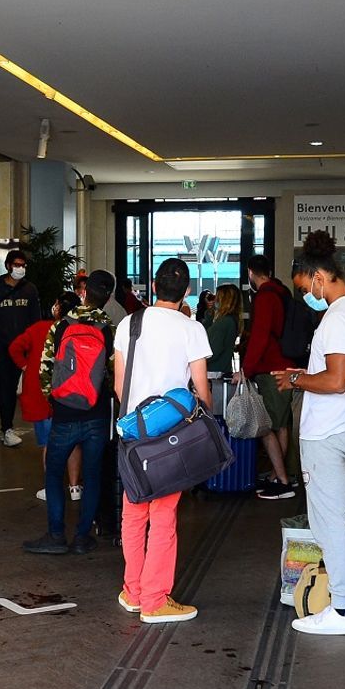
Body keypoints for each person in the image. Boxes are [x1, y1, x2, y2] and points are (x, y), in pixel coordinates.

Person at [276, 231, 345, 636]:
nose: (307, 297)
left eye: (306, 288)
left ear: (319, 277)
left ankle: (341, 609)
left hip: (328, 434)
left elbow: (337, 380)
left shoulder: (338, 318)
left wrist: (298, 378)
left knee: (328, 521)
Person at [113, 258, 212, 624]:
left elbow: (119, 385)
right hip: (171, 435)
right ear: (186, 291)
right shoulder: (191, 328)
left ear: (154, 286)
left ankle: (133, 591)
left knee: (134, 511)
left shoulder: (130, 323)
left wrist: (138, 418)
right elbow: (202, 391)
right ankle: (155, 599)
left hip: (134, 432)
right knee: (164, 515)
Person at [25, 270, 117, 555]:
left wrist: (54, 400)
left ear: (84, 291)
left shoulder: (62, 325)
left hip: (64, 412)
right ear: (108, 297)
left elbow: (45, 369)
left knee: (53, 473)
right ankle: (82, 537)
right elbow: (114, 372)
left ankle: (55, 535)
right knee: (92, 474)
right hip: (96, 412)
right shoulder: (109, 329)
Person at [9, 291, 84, 502]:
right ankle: (75, 487)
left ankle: (51, 488)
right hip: (73, 395)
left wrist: (26, 367)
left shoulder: (40, 328)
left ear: (57, 308)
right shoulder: (81, 330)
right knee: (74, 443)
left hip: (42, 396)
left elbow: (15, 347)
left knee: (49, 444)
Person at [243, 255, 298, 500]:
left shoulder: (265, 297)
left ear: (251, 273)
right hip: (286, 366)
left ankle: (282, 481)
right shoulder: (283, 292)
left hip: (271, 368)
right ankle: (279, 474)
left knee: (266, 426)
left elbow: (260, 337)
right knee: (281, 423)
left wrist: (245, 369)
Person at [0, 249, 41, 447]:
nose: (20, 269)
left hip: (23, 347)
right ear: (8, 266)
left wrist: (35, 345)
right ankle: (7, 428)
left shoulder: (30, 289)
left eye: (23, 265)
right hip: (0, 345)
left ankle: (8, 428)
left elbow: (35, 319)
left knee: (14, 385)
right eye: (16, 265)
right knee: (6, 385)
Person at [206, 284, 242, 374]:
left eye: (217, 297)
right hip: (223, 369)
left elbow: (213, 350)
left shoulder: (223, 323)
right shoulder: (232, 320)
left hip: (213, 371)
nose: (215, 300)